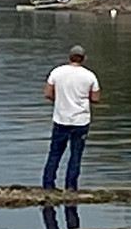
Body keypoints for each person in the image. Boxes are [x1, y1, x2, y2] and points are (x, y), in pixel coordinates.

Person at [42, 44, 99, 191]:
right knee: (76, 155)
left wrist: (60, 99)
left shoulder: (56, 72)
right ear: (83, 58)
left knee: (54, 153)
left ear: (69, 57)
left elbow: (48, 94)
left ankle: (48, 184)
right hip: (81, 121)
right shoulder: (90, 76)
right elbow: (95, 98)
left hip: (61, 118)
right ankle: (71, 186)